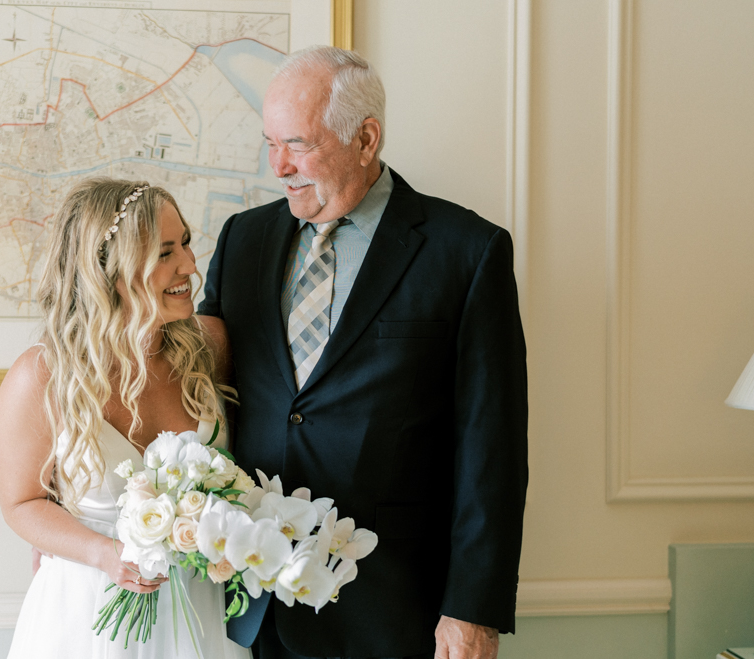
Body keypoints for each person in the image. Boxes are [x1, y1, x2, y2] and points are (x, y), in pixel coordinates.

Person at [198, 46, 529, 658]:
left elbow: (493, 447)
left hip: (397, 609)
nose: (279, 166)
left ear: (365, 137)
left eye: (297, 143)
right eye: (269, 143)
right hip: (249, 607)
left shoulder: (466, 253)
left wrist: (472, 609)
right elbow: (193, 392)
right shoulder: (242, 240)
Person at [0, 178, 250, 659]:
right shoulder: (42, 377)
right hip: (89, 610)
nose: (190, 266)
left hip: (201, 610)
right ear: (108, 270)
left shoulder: (210, 347)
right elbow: (22, 503)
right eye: (165, 252)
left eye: (187, 244)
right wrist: (103, 554)